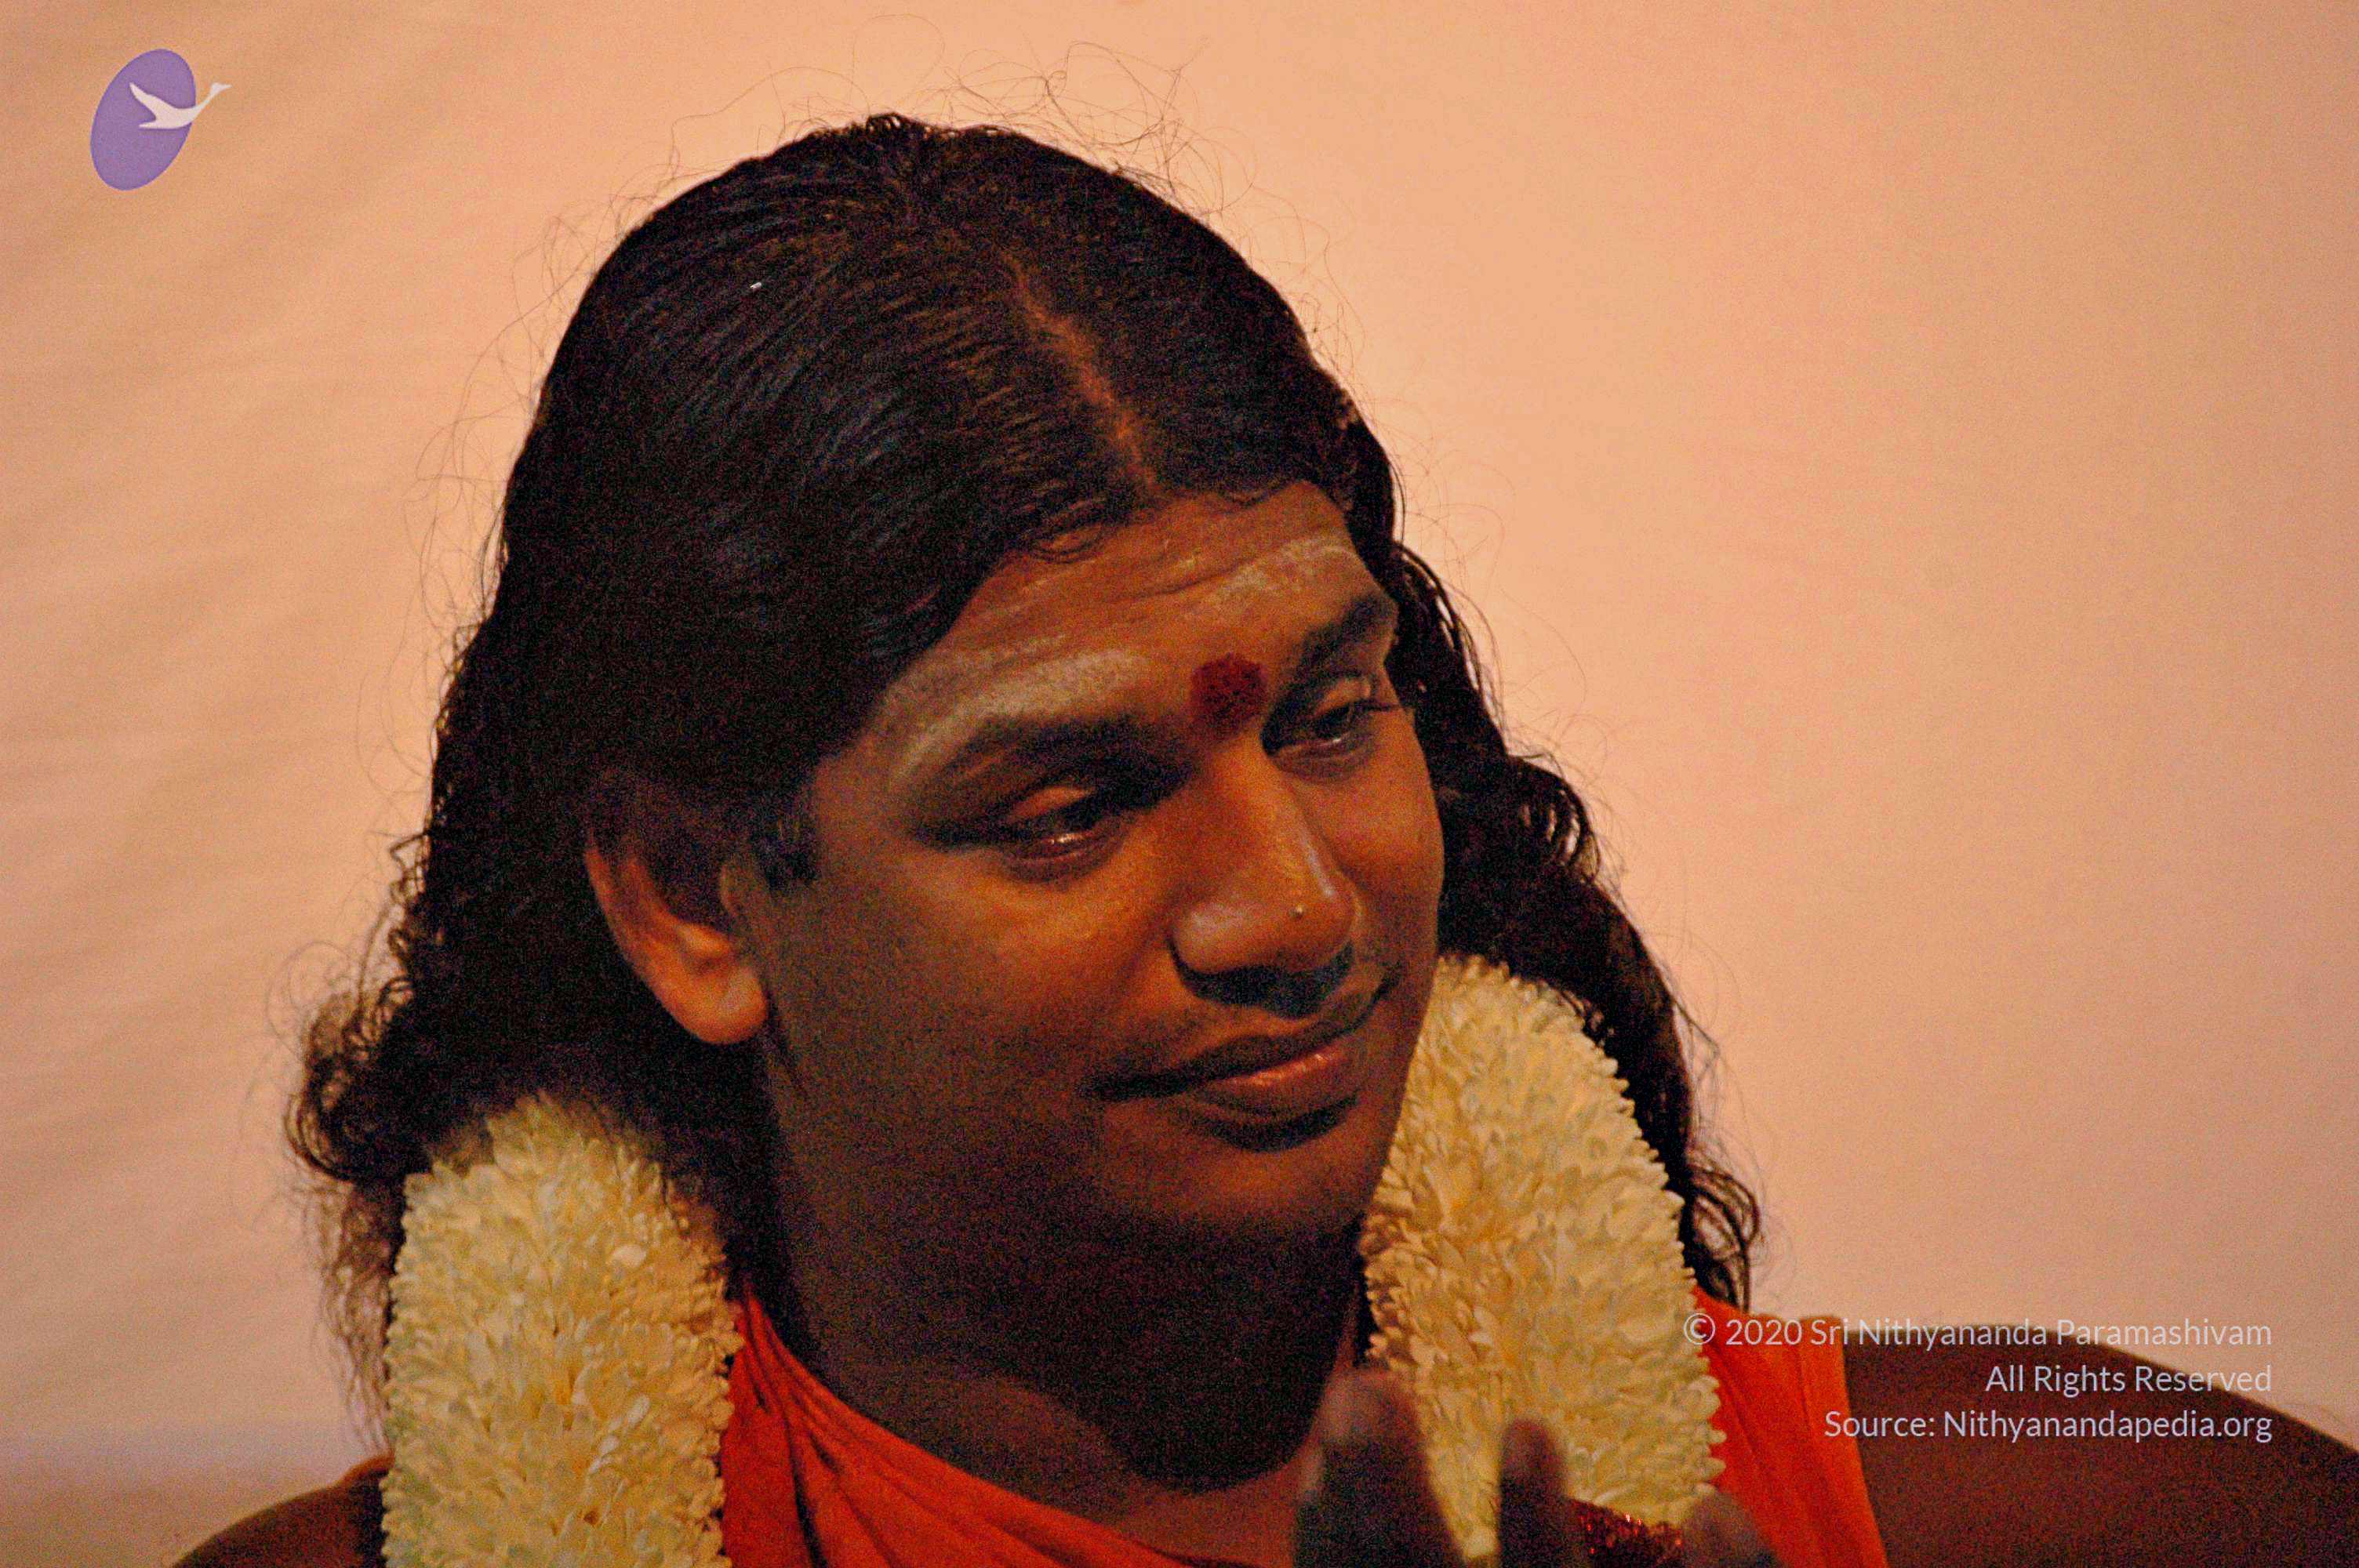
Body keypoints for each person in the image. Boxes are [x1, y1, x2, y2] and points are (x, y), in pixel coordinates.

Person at [180, 114, 2354, 1568]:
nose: (1298, 905)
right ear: (691, 898)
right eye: (1070, 804)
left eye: (1333, 717)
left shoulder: (2090, 1500)